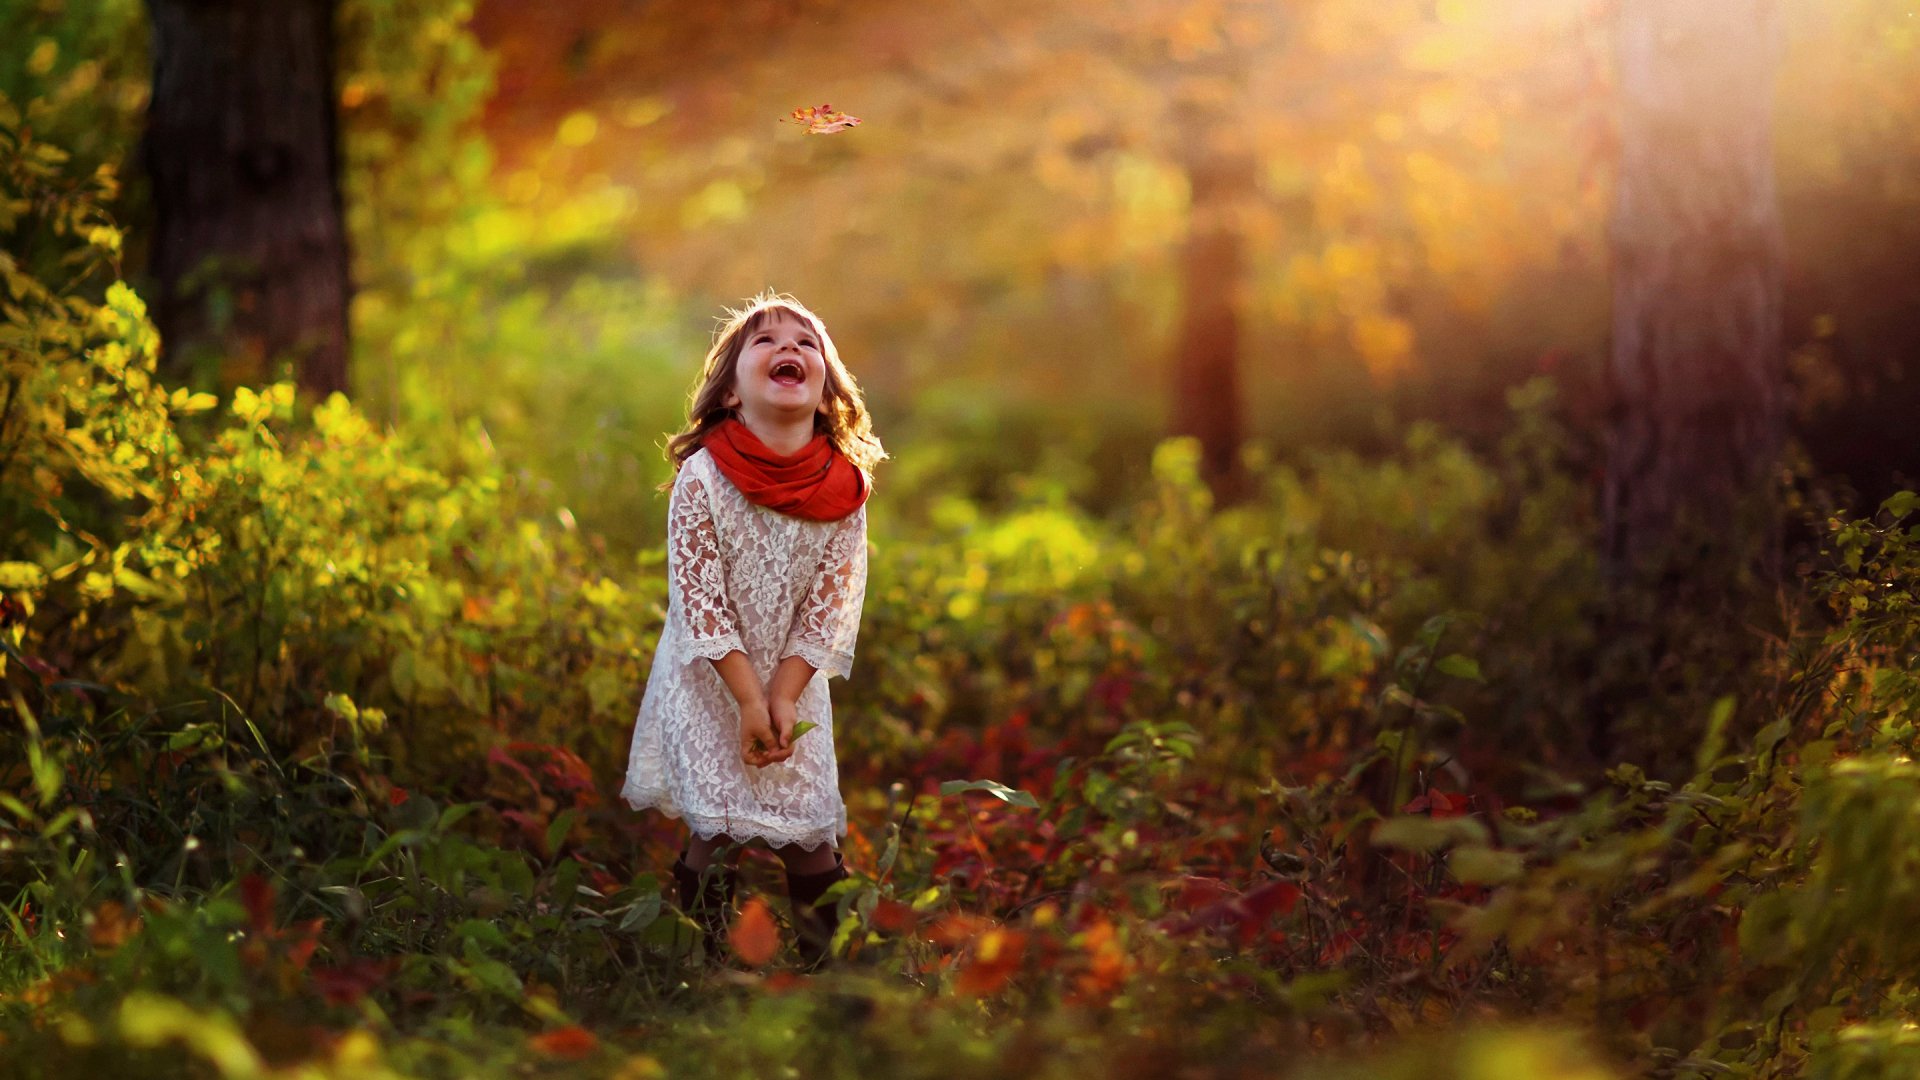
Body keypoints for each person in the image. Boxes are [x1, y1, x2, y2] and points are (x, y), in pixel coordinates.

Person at [621, 290, 884, 970]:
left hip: (794, 684)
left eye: (805, 341)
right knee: (718, 827)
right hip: (710, 677)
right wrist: (746, 698)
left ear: (827, 392)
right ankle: (701, 969)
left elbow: (827, 609)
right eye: (765, 342)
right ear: (733, 393)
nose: (788, 348)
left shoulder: (844, 488)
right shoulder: (704, 479)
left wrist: (783, 696)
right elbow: (700, 602)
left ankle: (836, 979)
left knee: (806, 832)